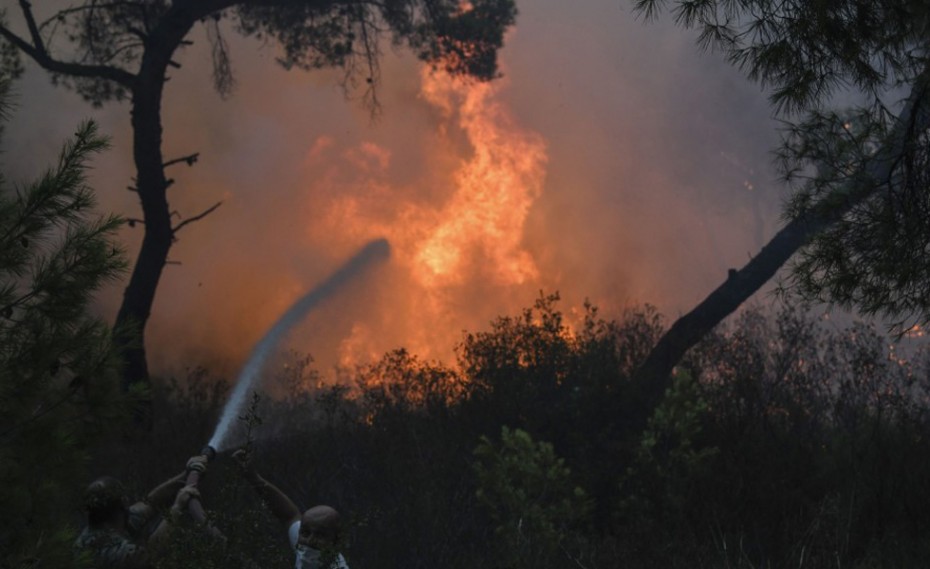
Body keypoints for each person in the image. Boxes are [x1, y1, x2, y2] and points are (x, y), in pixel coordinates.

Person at [74, 455, 209, 568]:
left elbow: (150, 503)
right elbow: (151, 556)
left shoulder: (103, 524)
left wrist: (184, 476)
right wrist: (177, 507)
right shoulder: (112, 550)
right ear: (121, 506)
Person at [232, 449, 349, 569]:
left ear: (335, 542)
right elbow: (289, 515)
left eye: (320, 535)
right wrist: (253, 478)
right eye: (305, 533)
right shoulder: (303, 544)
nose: (310, 541)